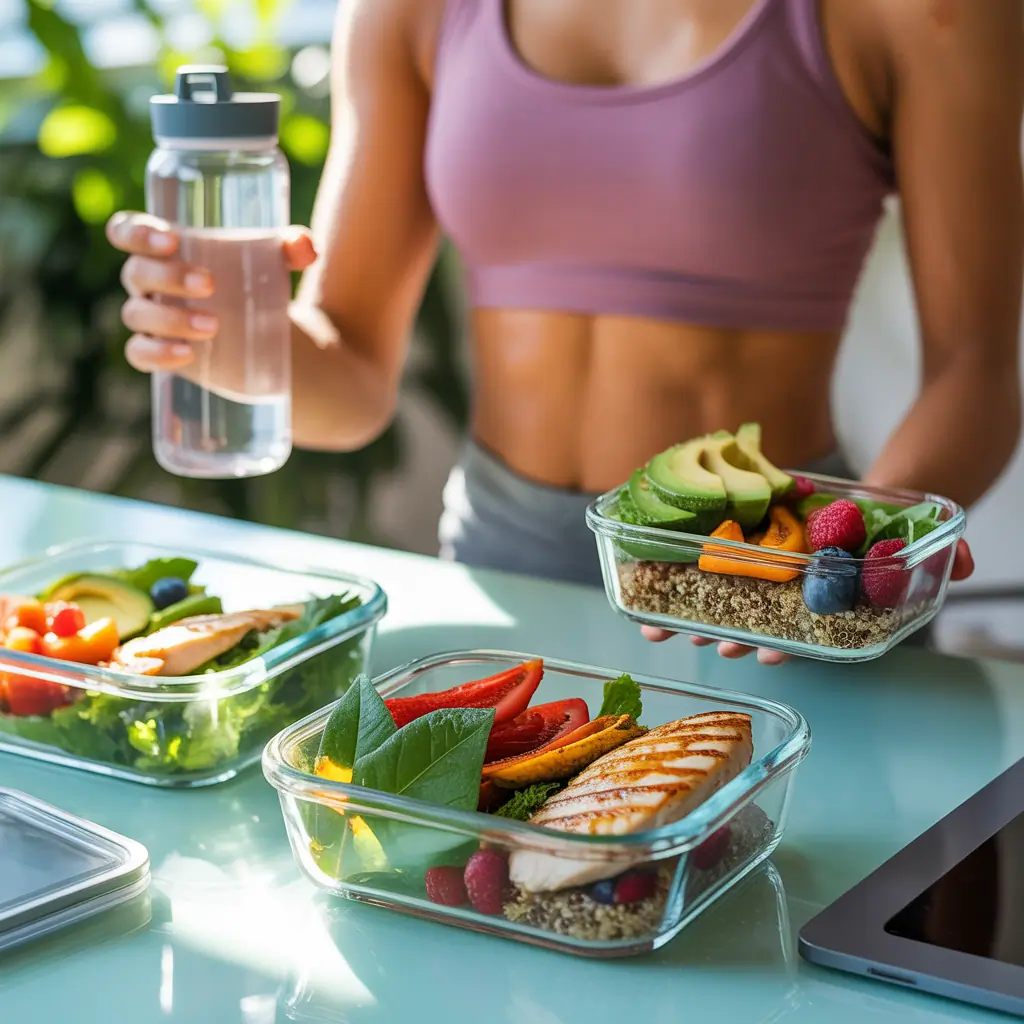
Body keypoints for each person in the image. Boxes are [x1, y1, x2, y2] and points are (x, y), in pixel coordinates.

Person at [107, 0, 1021, 665]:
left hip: (769, 588)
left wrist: (849, 558)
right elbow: (347, 384)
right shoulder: (404, 11)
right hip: (502, 572)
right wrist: (228, 339)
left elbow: (977, 370)